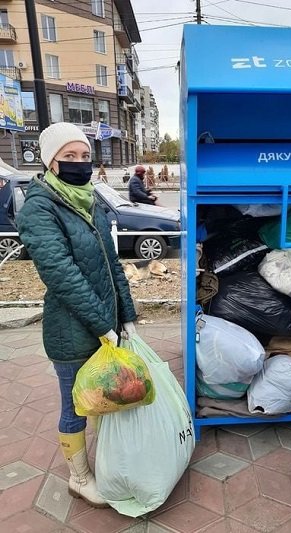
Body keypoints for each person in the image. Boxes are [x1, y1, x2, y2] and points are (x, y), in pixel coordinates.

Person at [16, 122, 137, 508]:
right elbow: (62, 274)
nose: (79, 163)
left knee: (104, 398)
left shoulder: (90, 200)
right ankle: (79, 477)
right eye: (69, 157)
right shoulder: (39, 207)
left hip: (107, 324)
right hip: (71, 331)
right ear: (51, 161)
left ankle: (101, 462)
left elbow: (111, 263)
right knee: (76, 407)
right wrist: (104, 325)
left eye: (85, 156)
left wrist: (127, 315)